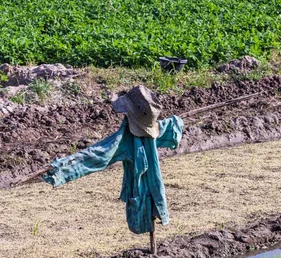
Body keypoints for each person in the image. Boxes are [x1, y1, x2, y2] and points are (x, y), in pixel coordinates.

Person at [42, 85, 183, 239]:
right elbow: (174, 125)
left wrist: (60, 169)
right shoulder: (159, 129)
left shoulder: (123, 141)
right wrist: (61, 168)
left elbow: (96, 155)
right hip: (152, 190)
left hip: (144, 193)